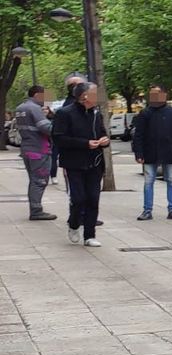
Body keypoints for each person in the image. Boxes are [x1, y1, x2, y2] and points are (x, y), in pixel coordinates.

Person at [54, 83, 110, 248]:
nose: (97, 96)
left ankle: (90, 235)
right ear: (84, 96)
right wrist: (85, 144)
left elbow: (102, 133)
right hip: (74, 163)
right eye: (94, 93)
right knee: (78, 199)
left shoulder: (96, 114)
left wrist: (104, 140)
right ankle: (73, 224)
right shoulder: (65, 113)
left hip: (95, 162)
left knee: (93, 198)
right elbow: (59, 138)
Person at [131, 86, 172, 221]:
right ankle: (147, 210)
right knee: (149, 181)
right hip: (150, 152)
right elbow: (138, 135)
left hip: (169, 153)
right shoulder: (145, 113)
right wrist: (139, 153)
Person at [14, 85, 57, 221]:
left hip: (27, 148)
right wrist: (59, 127)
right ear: (37, 95)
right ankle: (36, 211)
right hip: (39, 149)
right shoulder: (34, 108)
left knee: (34, 180)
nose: (46, 100)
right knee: (39, 181)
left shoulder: (20, 108)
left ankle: (35, 209)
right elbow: (46, 127)